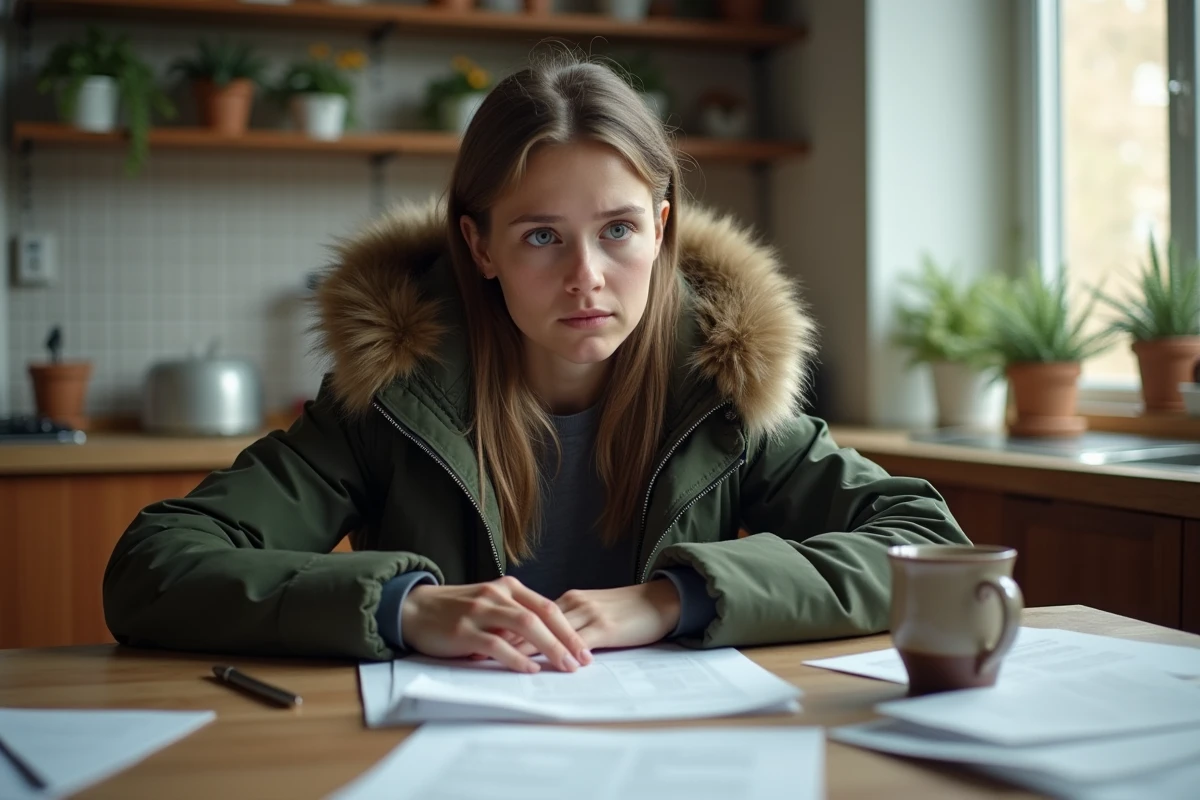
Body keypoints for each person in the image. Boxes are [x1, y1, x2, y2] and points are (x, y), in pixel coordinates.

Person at [102, 55, 969, 674]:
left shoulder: (720, 392)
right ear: (479, 246)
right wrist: (401, 606)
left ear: (661, 230)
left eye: (619, 230)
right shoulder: (390, 398)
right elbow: (154, 567)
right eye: (542, 236)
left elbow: (928, 542)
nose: (587, 277)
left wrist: (676, 599)